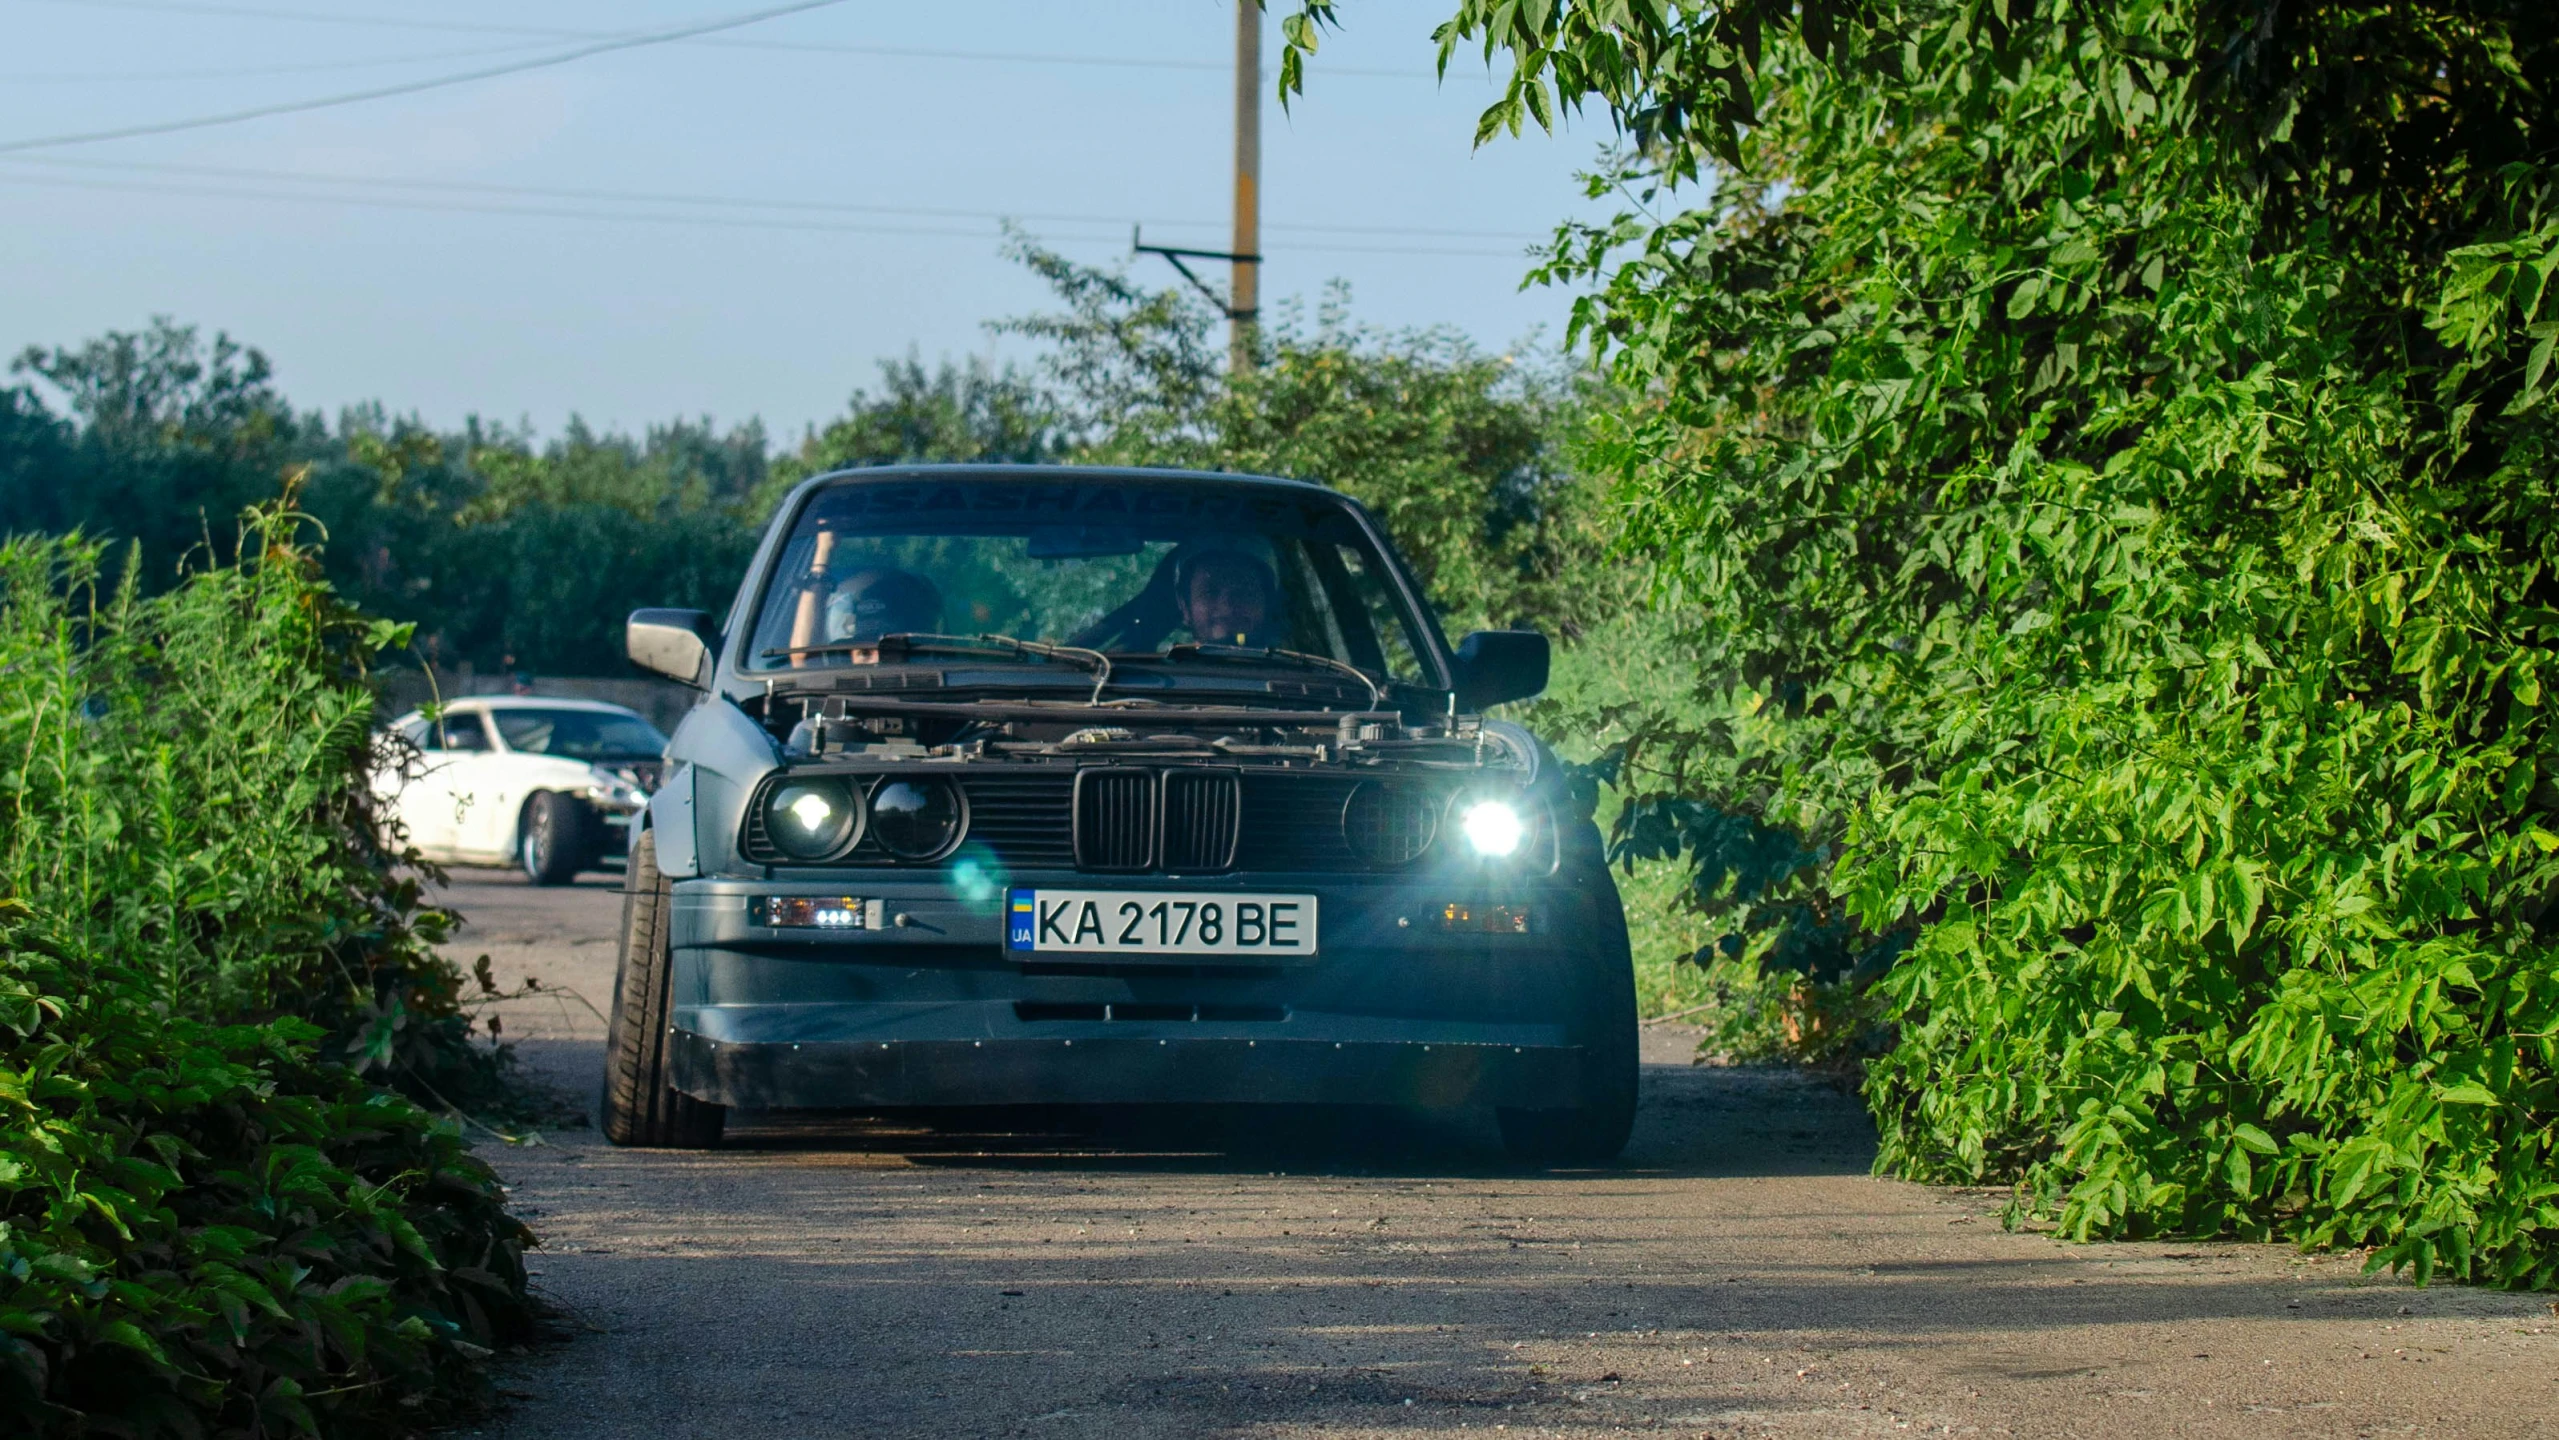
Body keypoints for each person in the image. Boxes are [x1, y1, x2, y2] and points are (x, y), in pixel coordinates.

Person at [1177, 549, 1279, 649]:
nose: (1227, 607)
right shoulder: (1167, 666)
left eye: (1243, 593)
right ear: (1185, 606)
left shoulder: (1290, 665)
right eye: (1210, 593)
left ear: (1268, 604)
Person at [824, 567, 942, 642]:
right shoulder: (835, 656)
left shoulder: (933, 661)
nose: (877, 658)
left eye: (889, 644)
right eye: (865, 652)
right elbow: (807, 655)